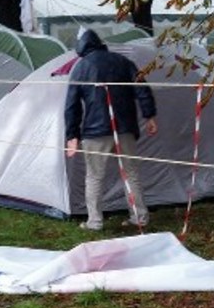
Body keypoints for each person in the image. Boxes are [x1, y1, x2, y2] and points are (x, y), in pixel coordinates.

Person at [63, 29, 158, 230]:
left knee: (94, 176)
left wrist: (72, 135)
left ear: (81, 47)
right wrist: (149, 115)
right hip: (125, 128)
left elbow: (72, 104)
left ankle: (95, 222)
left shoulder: (81, 68)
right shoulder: (122, 62)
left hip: (95, 132)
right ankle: (139, 217)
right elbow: (142, 88)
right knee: (130, 173)